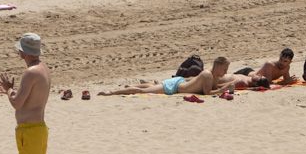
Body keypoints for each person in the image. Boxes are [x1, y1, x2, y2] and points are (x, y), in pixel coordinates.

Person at [99, 57, 231, 97]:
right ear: (218, 66)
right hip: (173, 88)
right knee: (142, 91)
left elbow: (214, 87)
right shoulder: (207, 75)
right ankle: (111, 92)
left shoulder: (215, 75)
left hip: (178, 83)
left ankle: (132, 86)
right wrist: (224, 88)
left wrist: (224, 86)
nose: (226, 71)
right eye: (225, 68)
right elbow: (208, 92)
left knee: (153, 86)